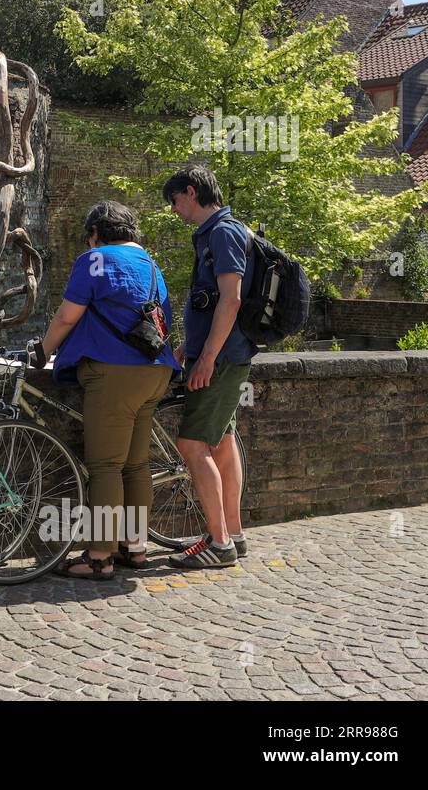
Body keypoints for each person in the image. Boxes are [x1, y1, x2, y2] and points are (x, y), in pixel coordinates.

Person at [36, 201, 181, 579]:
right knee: (136, 466)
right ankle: (134, 549)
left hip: (114, 374)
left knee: (105, 467)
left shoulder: (94, 259)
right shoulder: (151, 264)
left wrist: (43, 351)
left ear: (95, 234)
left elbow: (69, 315)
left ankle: (99, 557)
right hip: (155, 372)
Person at [162, 164, 254, 569]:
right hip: (223, 354)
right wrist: (190, 345)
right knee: (221, 442)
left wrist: (208, 358)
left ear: (192, 192)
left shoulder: (222, 232)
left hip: (223, 359)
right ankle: (232, 533)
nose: (174, 209)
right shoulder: (222, 231)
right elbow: (212, 302)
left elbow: (230, 299)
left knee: (192, 445)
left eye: (175, 200)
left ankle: (219, 545)